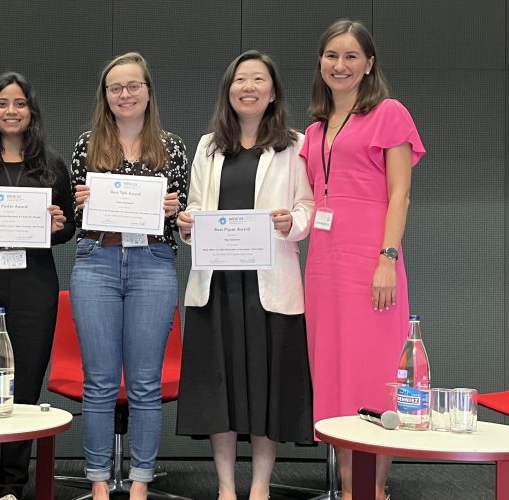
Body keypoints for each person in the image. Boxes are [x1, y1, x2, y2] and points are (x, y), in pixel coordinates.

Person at [175, 49, 315, 500]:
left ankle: (259, 487)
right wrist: (187, 223)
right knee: (221, 391)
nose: (248, 87)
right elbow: (195, 206)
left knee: (265, 392)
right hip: (217, 287)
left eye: (258, 80)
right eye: (240, 80)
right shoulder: (207, 145)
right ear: (228, 90)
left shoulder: (295, 145)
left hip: (268, 287)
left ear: (273, 91)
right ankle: (224, 487)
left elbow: (309, 207)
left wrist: (290, 222)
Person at [300, 20, 426, 500]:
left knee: (372, 377)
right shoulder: (313, 131)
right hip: (323, 268)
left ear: (369, 64)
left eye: (352, 56)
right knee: (334, 375)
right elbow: (312, 202)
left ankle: (373, 490)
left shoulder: (389, 113)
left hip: (372, 264)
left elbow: (400, 195)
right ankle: (349, 488)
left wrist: (387, 259)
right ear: (321, 63)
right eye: (332, 55)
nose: (341, 65)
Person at [69, 52, 187, 500]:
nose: (125, 94)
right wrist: (80, 201)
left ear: (148, 91)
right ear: (106, 95)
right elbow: (76, 215)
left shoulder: (172, 146)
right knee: (98, 380)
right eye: (115, 87)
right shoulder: (87, 144)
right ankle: (98, 480)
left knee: (145, 382)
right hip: (97, 261)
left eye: (133, 85)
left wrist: (177, 212)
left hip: (152, 264)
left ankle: (140, 481)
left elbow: (180, 221)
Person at [0, 72, 74, 500]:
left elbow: (65, 231)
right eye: (2, 103)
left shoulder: (52, 164)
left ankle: (13, 485)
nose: (11, 111)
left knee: (24, 386)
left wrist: (58, 226)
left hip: (34, 284)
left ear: (31, 112)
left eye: (19, 103)